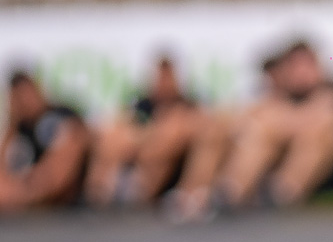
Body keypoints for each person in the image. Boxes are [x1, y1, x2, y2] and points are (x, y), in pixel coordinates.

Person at [165, 40, 333, 221]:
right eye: (295, 67)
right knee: (250, 134)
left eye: (306, 66)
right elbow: (246, 119)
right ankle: (220, 193)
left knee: (317, 134)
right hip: (289, 172)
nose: (301, 74)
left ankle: (276, 191)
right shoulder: (281, 100)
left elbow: (318, 121)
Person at [83, 54, 205, 208]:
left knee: (167, 139)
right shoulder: (142, 104)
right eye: (160, 77)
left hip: (166, 154)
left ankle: (138, 190)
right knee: (114, 137)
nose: (164, 83)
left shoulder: (187, 104)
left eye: (168, 77)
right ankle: (98, 190)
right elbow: (126, 124)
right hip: (140, 147)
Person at [0, 70, 90, 212]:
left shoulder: (61, 115)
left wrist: (28, 190)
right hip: (31, 199)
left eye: (26, 94)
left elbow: (62, 166)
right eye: (18, 98)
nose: (25, 102)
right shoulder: (20, 129)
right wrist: (11, 125)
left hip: (66, 200)